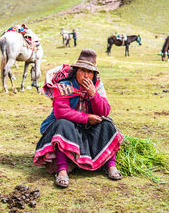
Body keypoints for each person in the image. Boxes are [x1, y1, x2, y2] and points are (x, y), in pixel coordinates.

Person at [33, 49, 123, 188]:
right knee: (63, 123)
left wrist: (94, 95)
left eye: (90, 72)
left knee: (107, 124)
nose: (86, 75)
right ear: (76, 71)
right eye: (83, 71)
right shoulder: (65, 85)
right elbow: (60, 112)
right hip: (65, 130)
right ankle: (62, 171)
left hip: (86, 130)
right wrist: (87, 118)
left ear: (94, 75)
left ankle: (110, 166)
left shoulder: (97, 87)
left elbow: (104, 111)